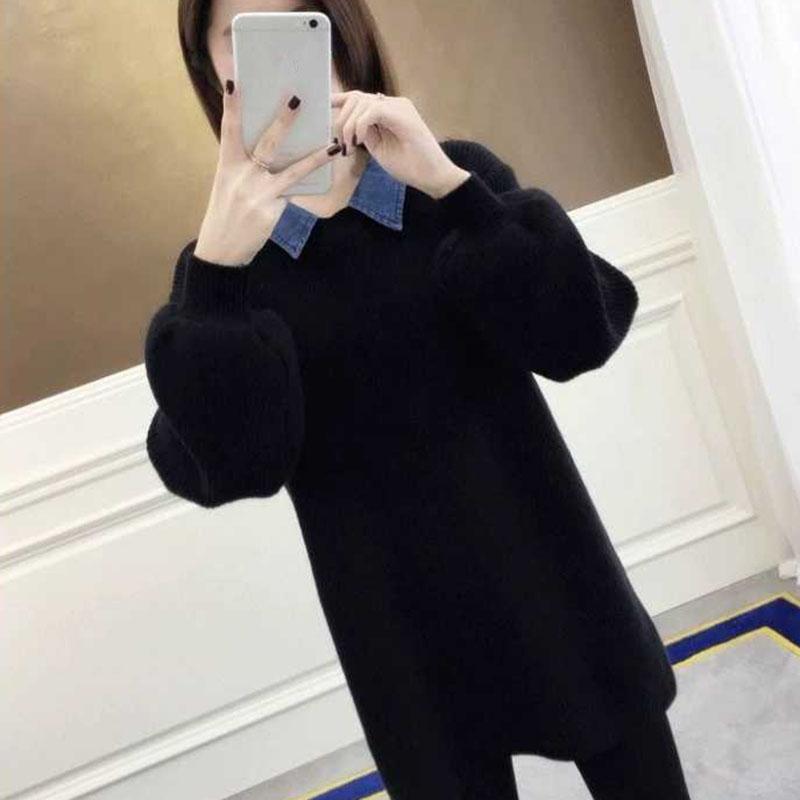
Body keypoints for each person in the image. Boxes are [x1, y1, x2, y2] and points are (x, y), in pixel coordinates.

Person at [143, 1, 693, 797]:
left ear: (343, 30)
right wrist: (219, 272)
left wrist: (451, 186)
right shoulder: (227, 271)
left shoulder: (449, 182)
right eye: (243, 32)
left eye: (300, 17)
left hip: (553, 580)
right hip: (402, 641)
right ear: (211, 68)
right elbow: (227, 465)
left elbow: (578, 335)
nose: (282, 48)